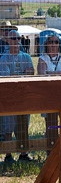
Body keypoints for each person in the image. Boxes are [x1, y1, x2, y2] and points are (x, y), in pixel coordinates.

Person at [0, 30, 34, 163]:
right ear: (7, 41)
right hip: (10, 99)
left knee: (23, 127)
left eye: (18, 38)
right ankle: (8, 156)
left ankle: (23, 154)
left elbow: (31, 72)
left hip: (24, 98)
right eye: (13, 38)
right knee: (8, 128)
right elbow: (6, 78)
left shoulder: (26, 57)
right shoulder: (3, 59)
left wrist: (18, 74)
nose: (17, 41)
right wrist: (23, 74)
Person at [37, 34, 61, 154]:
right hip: (49, 95)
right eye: (51, 42)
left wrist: (51, 73)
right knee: (50, 124)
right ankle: (51, 152)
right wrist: (60, 73)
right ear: (47, 44)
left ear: (59, 44)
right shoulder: (42, 58)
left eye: (56, 42)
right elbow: (41, 74)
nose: (53, 44)